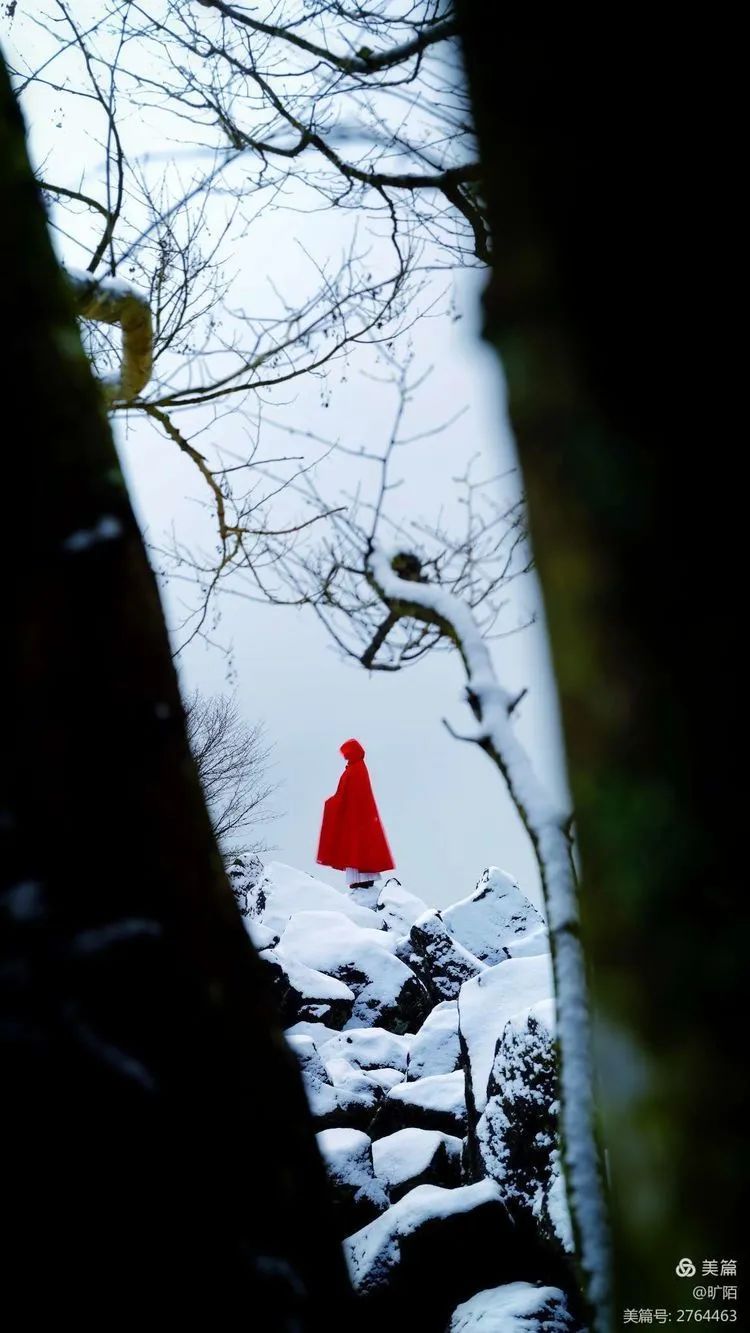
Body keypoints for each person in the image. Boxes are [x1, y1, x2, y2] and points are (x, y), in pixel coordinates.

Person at [316, 738, 395, 888]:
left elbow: (346, 795)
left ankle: (361, 879)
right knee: (357, 847)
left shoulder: (354, 770)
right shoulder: (357, 768)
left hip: (355, 818)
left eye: (346, 753)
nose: (345, 757)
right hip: (356, 818)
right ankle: (360, 879)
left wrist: (331, 803)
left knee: (357, 847)